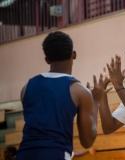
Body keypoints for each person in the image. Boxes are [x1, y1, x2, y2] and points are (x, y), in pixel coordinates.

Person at [15, 31, 102, 160]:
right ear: (74, 54)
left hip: (24, 155)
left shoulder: (26, 87)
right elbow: (87, 142)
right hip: (56, 154)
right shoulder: (79, 91)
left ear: (47, 59)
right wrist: (95, 102)